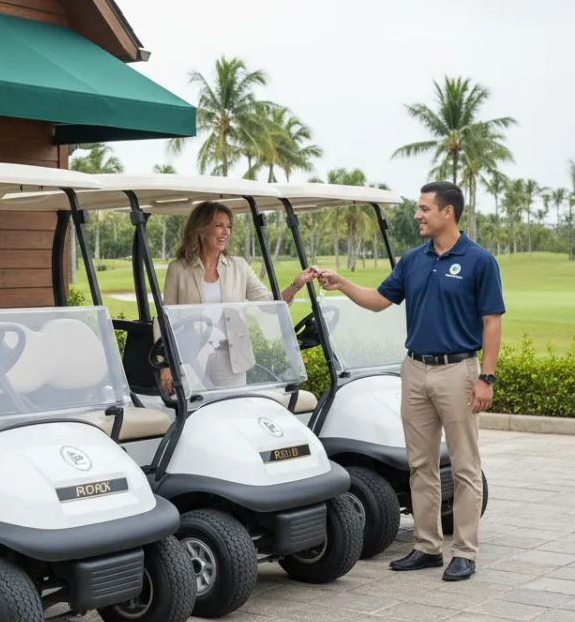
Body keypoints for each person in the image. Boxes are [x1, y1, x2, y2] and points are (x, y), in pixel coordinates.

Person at [317, 181, 504, 582]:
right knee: (420, 465)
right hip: (415, 370)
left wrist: (486, 378)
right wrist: (342, 283)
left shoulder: (479, 261)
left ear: (447, 212)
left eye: (424, 209)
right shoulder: (414, 260)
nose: (417, 215)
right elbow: (378, 300)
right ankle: (427, 546)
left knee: (465, 466)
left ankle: (465, 552)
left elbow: (492, 322)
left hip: (458, 372)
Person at [159, 201, 316, 394]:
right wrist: (165, 364)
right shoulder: (178, 269)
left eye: (229, 226)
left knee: (233, 407)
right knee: (195, 409)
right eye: (219, 225)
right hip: (191, 359)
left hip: (231, 359)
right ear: (201, 229)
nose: (226, 232)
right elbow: (165, 320)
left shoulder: (239, 267)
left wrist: (296, 284)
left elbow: (269, 304)